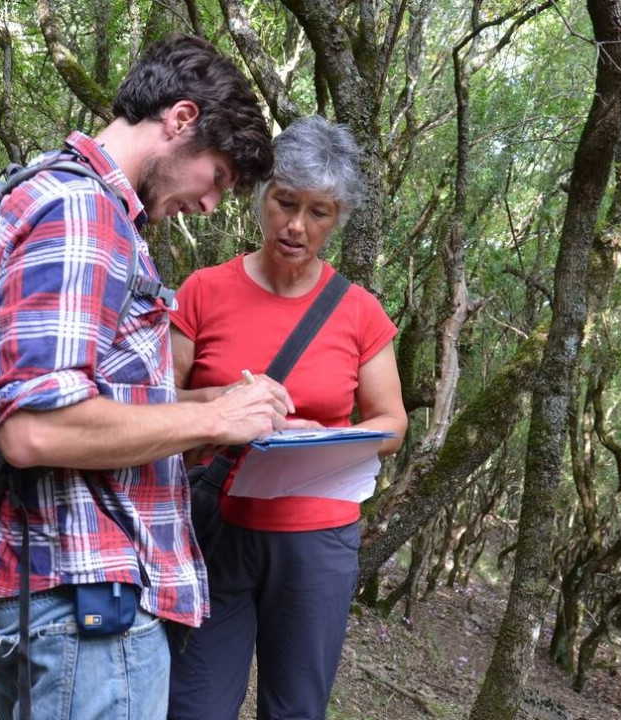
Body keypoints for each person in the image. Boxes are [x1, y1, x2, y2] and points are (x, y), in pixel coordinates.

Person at [0, 35, 298, 720]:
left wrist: (201, 402)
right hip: (86, 608)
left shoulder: (59, 197)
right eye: (219, 177)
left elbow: (83, 395)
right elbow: (36, 430)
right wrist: (214, 421)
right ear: (181, 120)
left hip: (63, 603)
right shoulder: (83, 212)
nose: (211, 205)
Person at [166, 116, 409, 720]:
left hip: (318, 540)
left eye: (319, 212)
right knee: (193, 705)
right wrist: (226, 408)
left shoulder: (359, 311)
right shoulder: (202, 291)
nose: (297, 225)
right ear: (261, 200)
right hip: (215, 525)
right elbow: (155, 404)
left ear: (338, 219)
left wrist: (323, 437)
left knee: (296, 709)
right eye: (285, 202)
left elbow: (392, 423)